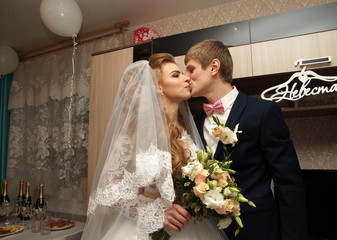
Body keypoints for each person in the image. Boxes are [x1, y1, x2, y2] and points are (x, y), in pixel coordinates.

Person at [165, 39, 308, 240]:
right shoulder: (194, 123)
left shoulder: (263, 112)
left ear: (214, 67)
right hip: (206, 230)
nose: (186, 78)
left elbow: (289, 183)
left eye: (191, 69)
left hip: (256, 229)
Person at [81, 53, 227, 240]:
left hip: (190, 227)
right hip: (145, 231)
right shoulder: (136, 130)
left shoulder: (187, 131)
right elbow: (106, 189)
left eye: (183, 73)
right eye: (176, 75)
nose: (186, 78)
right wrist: (157, 214)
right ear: (157, 86)